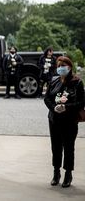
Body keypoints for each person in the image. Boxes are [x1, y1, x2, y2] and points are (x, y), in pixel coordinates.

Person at [44, 56, 84, 188]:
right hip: (54, 119)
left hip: (69, 121)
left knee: (68, 147)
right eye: (59, 66)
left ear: (69, 67)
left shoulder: (77, 82)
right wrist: (54, 108)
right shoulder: (54, 81)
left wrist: (66, 107)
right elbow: (47, 98)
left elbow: (81, 102)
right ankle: (56, 173)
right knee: (55, 147)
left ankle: (68, 174)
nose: (61, 68)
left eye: (64, 66)